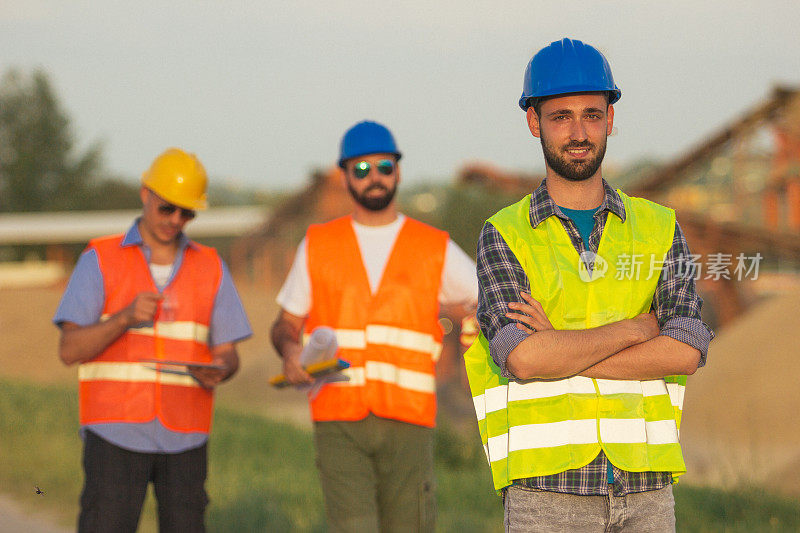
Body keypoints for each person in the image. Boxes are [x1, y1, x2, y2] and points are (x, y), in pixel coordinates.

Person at [464, 38, 714, 532]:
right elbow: (524, 358)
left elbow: (687, 350)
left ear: (611, 119)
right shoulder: (504, 235)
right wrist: (639, 328)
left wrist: (560, 343)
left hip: (647, 493)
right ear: (534, 121)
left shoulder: (661, 227)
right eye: (561, 117)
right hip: (546, 498)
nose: (579, 132)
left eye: (592, 115)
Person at [271, 120, 477, 532]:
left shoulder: (432, 245)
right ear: (344, 176)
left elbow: (485, 299)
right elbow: (285, 323)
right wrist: (290, 350)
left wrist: (466, 322)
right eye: (361, 170)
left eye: (384, 166)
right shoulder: (319, 244)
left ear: (398, 171)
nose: (375, 177)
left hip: (409, 419)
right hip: (338, 418)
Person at [54, 148, 252, 532]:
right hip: (115, 434)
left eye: (187, 212)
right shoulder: (100, 258)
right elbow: (69, 349)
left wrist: (221, 370)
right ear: (146, 194)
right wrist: (124, 318)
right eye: (167, 208)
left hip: (186, 437)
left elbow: (228, 353)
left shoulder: (210, 266)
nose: (176, 220)